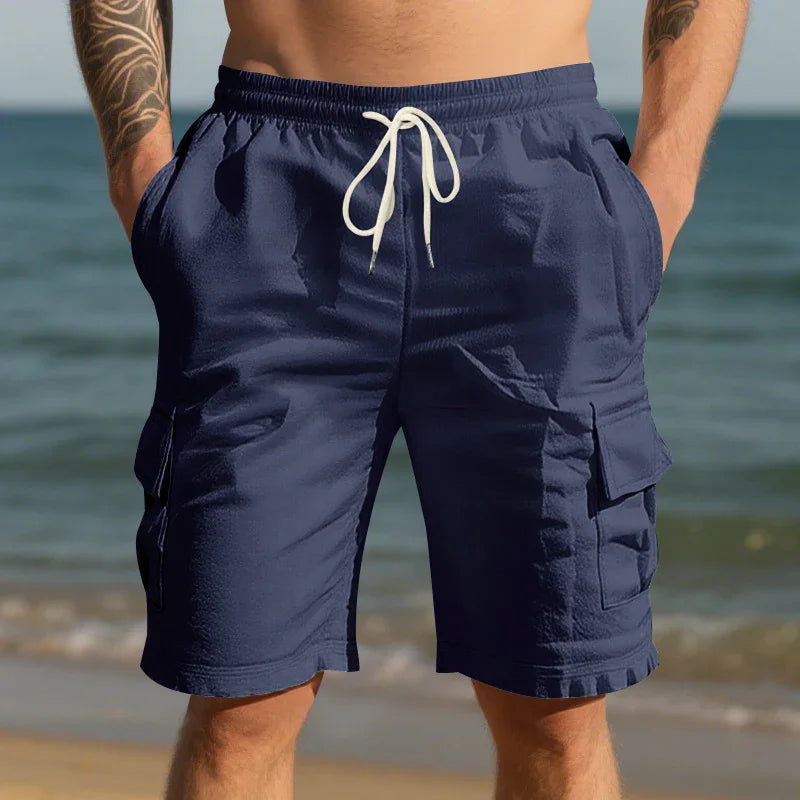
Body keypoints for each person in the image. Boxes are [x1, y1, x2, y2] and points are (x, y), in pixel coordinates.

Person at [70, 2, 748, 798]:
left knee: (555, 703)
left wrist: (666, 175)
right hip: (271, 190)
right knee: (239, 699)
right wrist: (136, 163)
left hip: (536, 197)